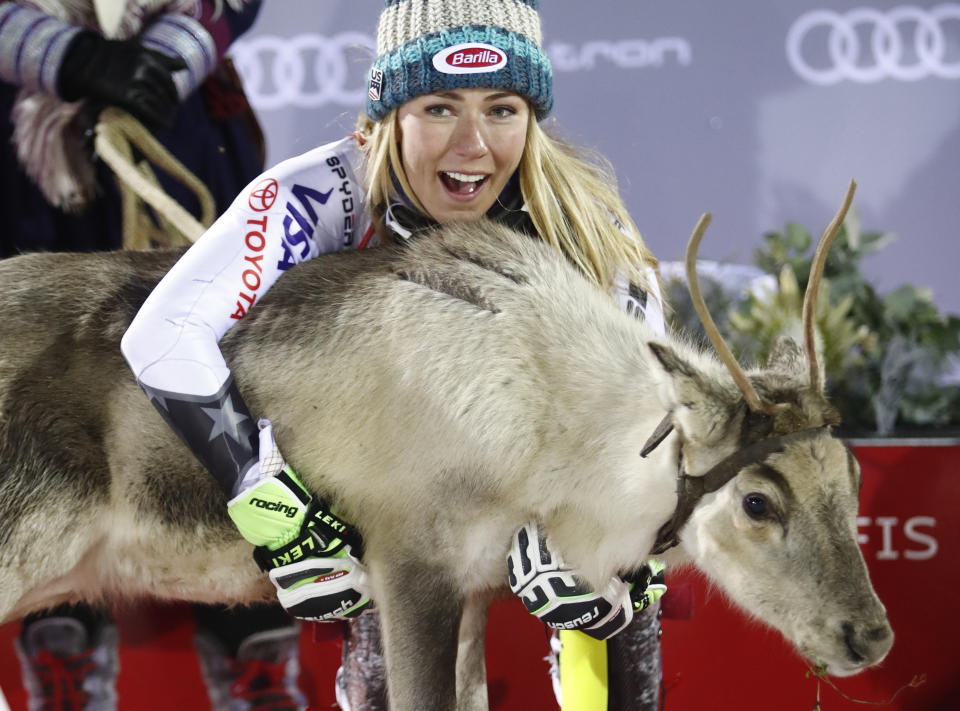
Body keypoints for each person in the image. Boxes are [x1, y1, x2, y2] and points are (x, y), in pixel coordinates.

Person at [121, 0, 667, 707]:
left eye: (502, 109)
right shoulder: (328, 189)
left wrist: (612, 544)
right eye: (440, 107)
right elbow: (160, 334)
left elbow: (657, 423)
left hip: (543, 474)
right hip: (392, 482)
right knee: (400, 560)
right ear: (386, 115)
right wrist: (265, 494)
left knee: (618, 595)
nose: (473, 146)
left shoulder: (585, 223)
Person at [0, 2, 311, 710]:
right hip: (27, 139)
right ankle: (64, 657)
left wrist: (169, 56)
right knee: (42, 392)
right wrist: (67, 59)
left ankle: (257, 649)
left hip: (177, 113)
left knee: (225, 360)